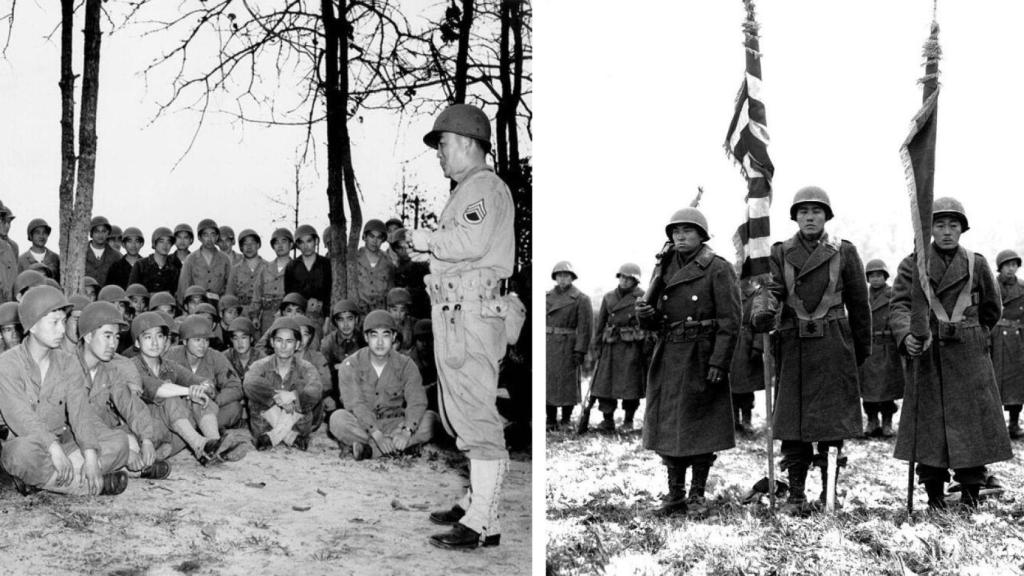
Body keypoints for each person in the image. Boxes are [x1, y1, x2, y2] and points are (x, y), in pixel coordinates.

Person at [409, 103, 515, 550]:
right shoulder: (468, 190)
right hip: (458, 311)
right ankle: (476, 499)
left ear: (470, 143)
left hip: (471, 313)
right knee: (461, 414)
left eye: (444, 143)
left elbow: (469, 241)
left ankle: (482, 522)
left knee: (475, 414)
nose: (439, 153)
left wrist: (426, 241)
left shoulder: (483, 187)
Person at [893, 197, 1012, 510]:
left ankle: (971, 496)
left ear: (962, 229)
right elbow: (900, 306)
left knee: (972, 430)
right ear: (929, 229)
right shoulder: (912, 263)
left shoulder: (977, 263)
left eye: (953, 225)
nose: (946, 231)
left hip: (969, 357)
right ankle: (933, 497)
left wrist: (974, 336)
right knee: (930, 432)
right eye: (940, 224)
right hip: (929, 356)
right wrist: (907, 335)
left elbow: (991, 309)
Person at [759, 186, 871, 514]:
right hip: (793, 343)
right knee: (793, 427)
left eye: (816, 212)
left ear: (827, 217)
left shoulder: (844, 251)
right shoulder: (779, 253)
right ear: (795, 217)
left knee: (830, 427)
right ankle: (795, 496)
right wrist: (762, 306)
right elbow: (771, 291)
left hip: (834, 343)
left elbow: (859, 306)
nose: (810, 217)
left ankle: (828, 495)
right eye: (803, 212)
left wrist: (859, 350)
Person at [634, 209, 740, 516]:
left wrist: (719, 362)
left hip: (701, 355)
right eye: (676, 232)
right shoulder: (664, 266)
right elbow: (653, 318)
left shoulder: (717, 268)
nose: (681, 237)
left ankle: (697, 495)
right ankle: (675, 495)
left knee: (700, 427)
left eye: (688, 231)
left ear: (702, 236)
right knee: (670, 427)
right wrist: (645, 317)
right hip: (669, 353)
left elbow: (730, 320)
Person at [0, 285, 130, 495]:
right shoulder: (7, 364)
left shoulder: (68, 362)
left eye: (63, 321)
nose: (62, 329)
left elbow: (80, 413)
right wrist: (53, 449)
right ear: (32, 326)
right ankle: (85, 486)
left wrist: (89, 454)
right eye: (54, 323)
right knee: (19, 453)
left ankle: (42, 479)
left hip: (64, 442)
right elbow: (21, 417)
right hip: (30, 443)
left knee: (120, 443)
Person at [76, 301, 172, 479]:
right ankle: (118, 470)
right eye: (107, 336)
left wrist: (146, 439)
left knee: (142, 436)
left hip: (102, 434)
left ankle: (116, 468)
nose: (113, 343)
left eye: (117, 337)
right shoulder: (69, 368)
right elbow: (81, 418)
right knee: (122, 444)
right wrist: (125, 449)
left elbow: (129, 404)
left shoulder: (110, 369)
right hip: (74, 437)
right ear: (88, 336)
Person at [329, 310, 434, 460]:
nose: (379, 342)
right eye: (374, 335)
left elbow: (417, 400)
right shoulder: (351, 364)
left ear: (394, 337)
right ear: (365, 337)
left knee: (430, 419)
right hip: (364, 424)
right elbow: (355, 404)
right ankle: (401, 447)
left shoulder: (406, 364)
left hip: (396, 422)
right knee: (337, 419)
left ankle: (369, 450)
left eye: (385, 335)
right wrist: (377, 435)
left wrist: (406, 431)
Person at [130, 311, 225, 466]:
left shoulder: (169, 367)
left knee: (200, 400)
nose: (155, 343)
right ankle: (201, 446)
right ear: (137, 343)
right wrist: (189, 391)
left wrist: (202, 388)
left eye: (159, 336)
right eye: (148, 337)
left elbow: (203, 382)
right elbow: (155, 388)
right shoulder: (131, 365)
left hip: (168, 435)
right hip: (144, 433)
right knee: (171, 399)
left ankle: (214, 446)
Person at [243, 316, 322, 451]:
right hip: (264, 425)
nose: (284, 346)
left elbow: (316, 390)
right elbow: (249, 383)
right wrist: (276, 396)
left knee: (307, 394)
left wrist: (292, 396)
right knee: (255, 391)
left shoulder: (306, 367)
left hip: (296, 425)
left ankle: (274, 436)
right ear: (272, 342)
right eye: (279, 341)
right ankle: (290, 437)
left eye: (289, 341)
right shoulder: (260, 365)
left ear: (297, 345)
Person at [589, 263, 647, 433]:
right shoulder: (608, 297)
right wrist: (597, 346)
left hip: (632, 347)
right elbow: (600, 325)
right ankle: (607, 420)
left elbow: (648, 324)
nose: (624, 281)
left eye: (629, 279)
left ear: (635, 281)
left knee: (631, 386)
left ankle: (628, 419)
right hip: (611, 346)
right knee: (605, 385)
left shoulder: (642, 296)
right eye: (622, 277)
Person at [858, 259, 905, 438]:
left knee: (887, 389)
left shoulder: (893, 294)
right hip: (868, 347)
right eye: (872, 275)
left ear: (885, 276)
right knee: (868, 391)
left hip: (888, 347)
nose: (876, 279)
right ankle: (871, 421)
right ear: (867, 278)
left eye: (879, 275)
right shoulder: (862, 295)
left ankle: (887, 422)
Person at [545, 261, 591, 430]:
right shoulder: (547, 297)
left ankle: (565, 418)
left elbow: (585, 328)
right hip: (548, 345)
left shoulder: (580, 299)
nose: (562, 279)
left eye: (566, 276)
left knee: (567, 384)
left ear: (572, 278)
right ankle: (550, 418)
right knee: (548, 382)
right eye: (559, 275)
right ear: (555, 277)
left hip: (567, 345)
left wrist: (580, 350)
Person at [992, 249, 1024, 439]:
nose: (1010, 269)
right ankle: (995, 425)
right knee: (993, 383)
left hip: (1017, 340)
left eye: (1014, 265)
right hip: (996, 338)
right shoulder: (992, 286)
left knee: (1016, 383)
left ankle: (1014, 423)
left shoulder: (1022, 288)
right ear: (1000, 267)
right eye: (1007, 265)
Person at [729, 278, 765, 436]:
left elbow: (761, 324)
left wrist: (758, 346)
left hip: (747, 345)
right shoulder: (728, 292)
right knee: (731, 386)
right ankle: (734, 420)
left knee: (746, 387)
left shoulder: (756, 296)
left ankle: (747, 420)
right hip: (731, 343)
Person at [320, 298, 364, 408]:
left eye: (350, 319)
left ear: (356, 319)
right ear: (335, 322)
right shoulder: (328, 342)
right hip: (335, 388)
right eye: (341, 320)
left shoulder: (364, 340)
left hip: (360, 387)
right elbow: (322, 372)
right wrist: (326, 396)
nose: (346, 324)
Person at [284, 224, 332, 327]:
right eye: (301, 242)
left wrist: (327, 323)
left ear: (316, 241)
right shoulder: (292, 266)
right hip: (297, 317)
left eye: (309, 241)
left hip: (320, 317)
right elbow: (288, 296)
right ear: (297, 245)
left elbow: (329, 295)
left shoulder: (326, 264)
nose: (306, 246)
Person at [177, 219, 231, 302]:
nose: (209, 239)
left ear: (217, 237)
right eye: (205, 235)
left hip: (219, 305)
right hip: (196, 305)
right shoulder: (191, 259)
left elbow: (230, 286)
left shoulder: (225, 259)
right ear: (199, 237)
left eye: (213, 235)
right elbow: (183, 287)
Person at [225, 228, 267, 329]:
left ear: (258, 245)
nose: (249, 247)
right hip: (241, 314)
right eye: (245, 244)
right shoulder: (235, 269)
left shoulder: (268, 267)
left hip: (262, 314)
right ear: (241, 247)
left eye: (252, 243)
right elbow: (229, 296)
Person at [352, 219, 395, 315]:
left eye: (379, 237)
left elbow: (391, 290)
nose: (375, 241)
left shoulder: (388, 262)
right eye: (371, 236)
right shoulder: (354, 258)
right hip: (358, 312)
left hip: (380, 312)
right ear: (365, 237)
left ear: (383, 240)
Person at [129, 226, 181, 295]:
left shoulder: (174, 269)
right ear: (154, 243)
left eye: (168, 242)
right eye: (161, 241)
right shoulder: (140, 265)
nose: (165, 245)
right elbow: (131, 292)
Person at [260, 228, 293, 333]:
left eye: (283, 241)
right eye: (276, 242)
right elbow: (257, 293)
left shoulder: (296, 268)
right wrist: (254, 316)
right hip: (267, 317)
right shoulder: (265, 269)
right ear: (273, 247)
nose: (280, 245)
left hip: (288, 316)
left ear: (291, 244)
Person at [17, 218, 61, 282]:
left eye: (44, 232)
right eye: (37, 233)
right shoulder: (21, 261)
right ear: (31, 236)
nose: (41, 236)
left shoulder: (55, 258)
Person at [224, 317, 264, 384]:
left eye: (243, 338)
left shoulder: (261, 358)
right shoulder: (225, 357)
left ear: (251, 339)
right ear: (231, 340)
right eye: (235, 338)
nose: (240, 343)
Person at [84, 216, 122, 287]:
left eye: (103, 231)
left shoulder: (117, 256)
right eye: (96, 231)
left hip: (108, 296)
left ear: (108, 233)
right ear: (91, 233)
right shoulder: (81, 253)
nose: (100, 235)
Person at [386, 287, 417, 354]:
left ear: (406, 311)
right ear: (388, 309)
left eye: (402, 310)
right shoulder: (383, 325)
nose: (398, 314)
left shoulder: (412, 324)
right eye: (395, 310)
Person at [0, 201, 19, 303]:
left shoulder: (12, 247)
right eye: (4, 221)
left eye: (9, 222)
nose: (7, 226)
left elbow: (12, 277)